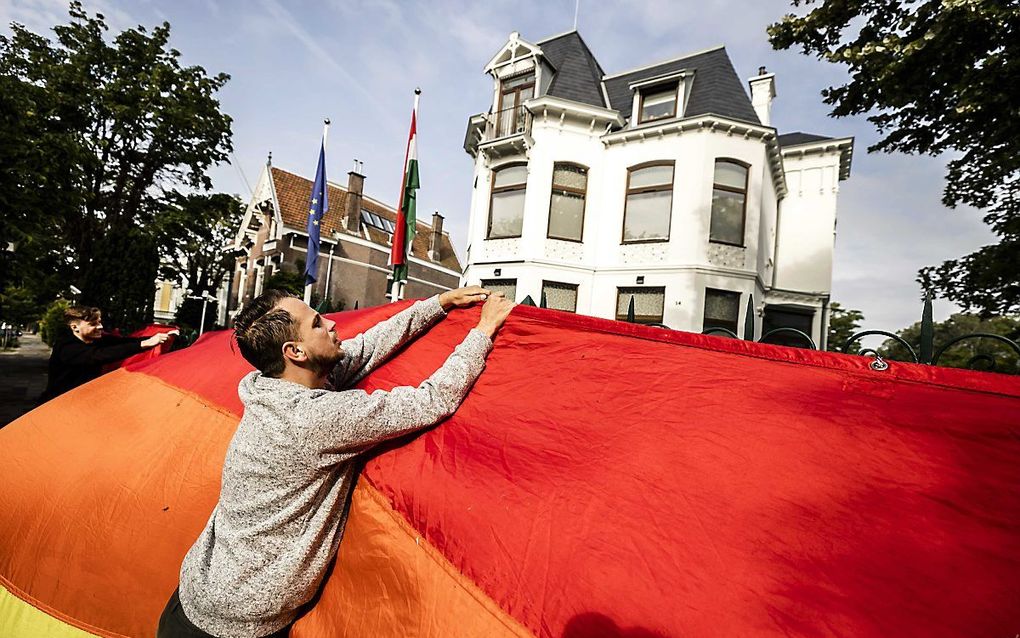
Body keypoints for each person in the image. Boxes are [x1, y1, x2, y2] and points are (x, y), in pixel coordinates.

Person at [157, 286, 515, 638]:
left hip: (193, 596)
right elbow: (432, 401)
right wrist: (483, 331)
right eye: (316, 324)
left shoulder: (274, 384)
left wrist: (438, 303)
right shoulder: (311, 419)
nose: (330, 324)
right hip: (234, 627)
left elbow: (368, 347)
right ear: (294, 351)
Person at [39, 305, 175, 403]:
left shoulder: (98, 339)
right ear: (75, 327)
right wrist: (145, 344)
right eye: (93, 324)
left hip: (84, 401)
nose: (100, 327)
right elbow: (100, 355)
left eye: (99, 322)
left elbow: (124, 342)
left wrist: (158, 337)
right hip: (58, 403)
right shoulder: (67, 347)